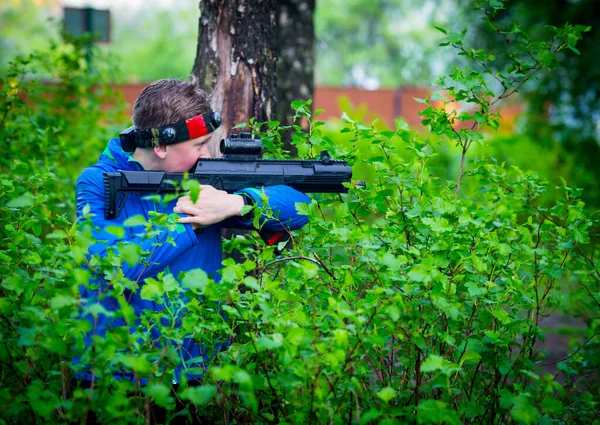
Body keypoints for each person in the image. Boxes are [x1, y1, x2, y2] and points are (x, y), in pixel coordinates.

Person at [74, 77, 310, 423]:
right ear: (160, 146)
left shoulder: (205, 177)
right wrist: (191, 220)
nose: (207, 154)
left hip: (188, 373)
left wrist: (237, 202)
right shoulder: (97, 182)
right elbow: (112, 269)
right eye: (199, 144)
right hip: (112, 373)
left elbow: (298, 205)